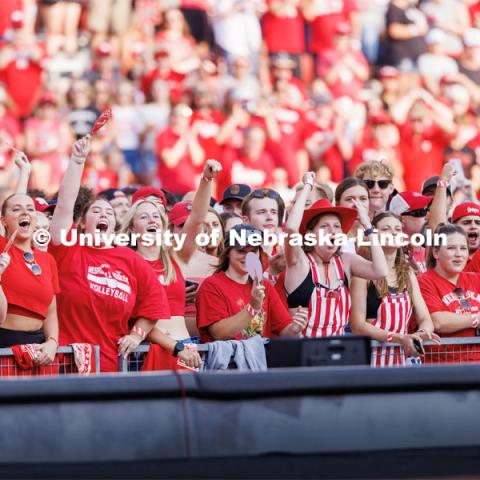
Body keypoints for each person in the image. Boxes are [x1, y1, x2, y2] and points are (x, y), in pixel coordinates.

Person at [49, 135, 171, 372]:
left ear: (115, 225)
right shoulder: (68, 247)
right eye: (96, 211)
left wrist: (136, 335)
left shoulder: (131, 260)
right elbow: (65, 204)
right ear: (83, 223)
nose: (104, 214)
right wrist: (77, 162)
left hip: (111, 366)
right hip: (66, 365)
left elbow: (154, 306)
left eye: (109, 213)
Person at [284, 172, 388, 337]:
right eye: (325, 226)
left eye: (337, 226)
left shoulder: (345, 261)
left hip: (339, 355)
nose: (332, 230)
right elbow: (291, 228)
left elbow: (381, 271)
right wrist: (307, 187)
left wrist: (367, 225)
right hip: (304, 356)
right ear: (310, 233)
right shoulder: (299, 262)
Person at [350, 212, 439, 367]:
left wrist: (419, 335)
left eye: (398, 229)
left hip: (403, 360)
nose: (393, 232)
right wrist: (399, 338)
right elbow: (358, 326)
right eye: (386, 229)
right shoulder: (362, 274)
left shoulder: (408, 273)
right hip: (371, 360)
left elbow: (425, 319)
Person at [196, 223, 308, 343]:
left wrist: (295, 328)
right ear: (228, 252)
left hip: (259, 359)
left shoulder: (265, 286)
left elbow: (284, 330)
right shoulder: (211, 286)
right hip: (228, 360)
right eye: (241, 251)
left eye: (253, 251)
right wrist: (253, 308)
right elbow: (218, 333)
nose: (248, 257)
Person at [0, 190, 59, 365]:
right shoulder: (2, 247)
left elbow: (51, 311)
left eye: (30, 209)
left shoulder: (47, 260)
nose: (25, 213)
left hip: (37, 347)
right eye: (17, 209)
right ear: (3, 221)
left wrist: (52, 343)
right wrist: (23, 172)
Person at [418, 224, 480, 363]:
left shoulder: (476, 279)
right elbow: (438, 321)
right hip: (444, 368)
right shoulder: (424, 281)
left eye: (463, 248)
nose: (459, 254)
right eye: (451, 248)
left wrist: (462, 321)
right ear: (436, 252)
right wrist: (477, 318)